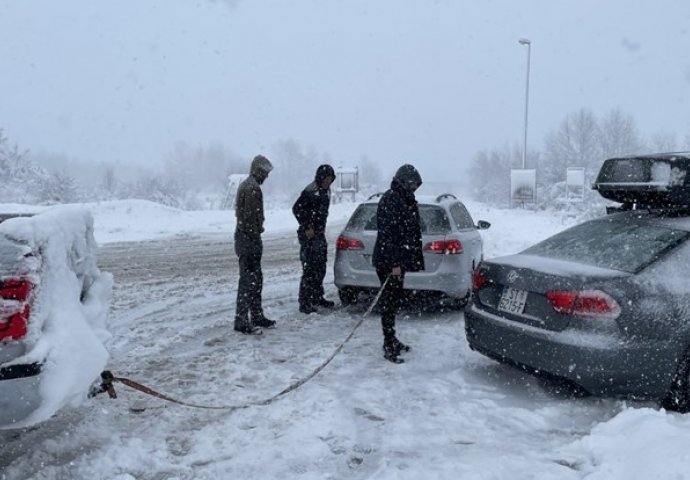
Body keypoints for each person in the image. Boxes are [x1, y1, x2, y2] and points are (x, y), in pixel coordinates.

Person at [372, 164, 425, 363]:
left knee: (394, 302)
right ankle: (388, 344)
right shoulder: (390, 199)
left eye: (415, 184)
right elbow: (387, 235)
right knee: (388, 303)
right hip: (389, 262)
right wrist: (394, 262)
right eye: (410, 183)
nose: (413, 187)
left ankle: (392, 338)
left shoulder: (406, 199)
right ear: (402, 181)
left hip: (398, 261)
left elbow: (410, 231)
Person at [233, 154, 276, 335]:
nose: (266, 177)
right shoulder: (252, 189)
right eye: (265, 173)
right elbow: (250, 220)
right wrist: (256, 235)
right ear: (258, 171)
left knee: (254, 280)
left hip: (245, 239)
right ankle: (243, 319)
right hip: (249, 240)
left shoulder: (247, 185)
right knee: (250, 281)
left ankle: (255, 315)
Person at [292, 164, 336, 314]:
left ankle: (317, 297)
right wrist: (307, 226)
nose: (328, 182)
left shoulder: (326, 191)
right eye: (326, 179)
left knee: (320, 267)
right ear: (320, 177)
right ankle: (304, 302)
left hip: (319, 233)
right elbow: (296, 208)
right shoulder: (311, 191)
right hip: (309, 235)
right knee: (310, 268)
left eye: (330, 179)